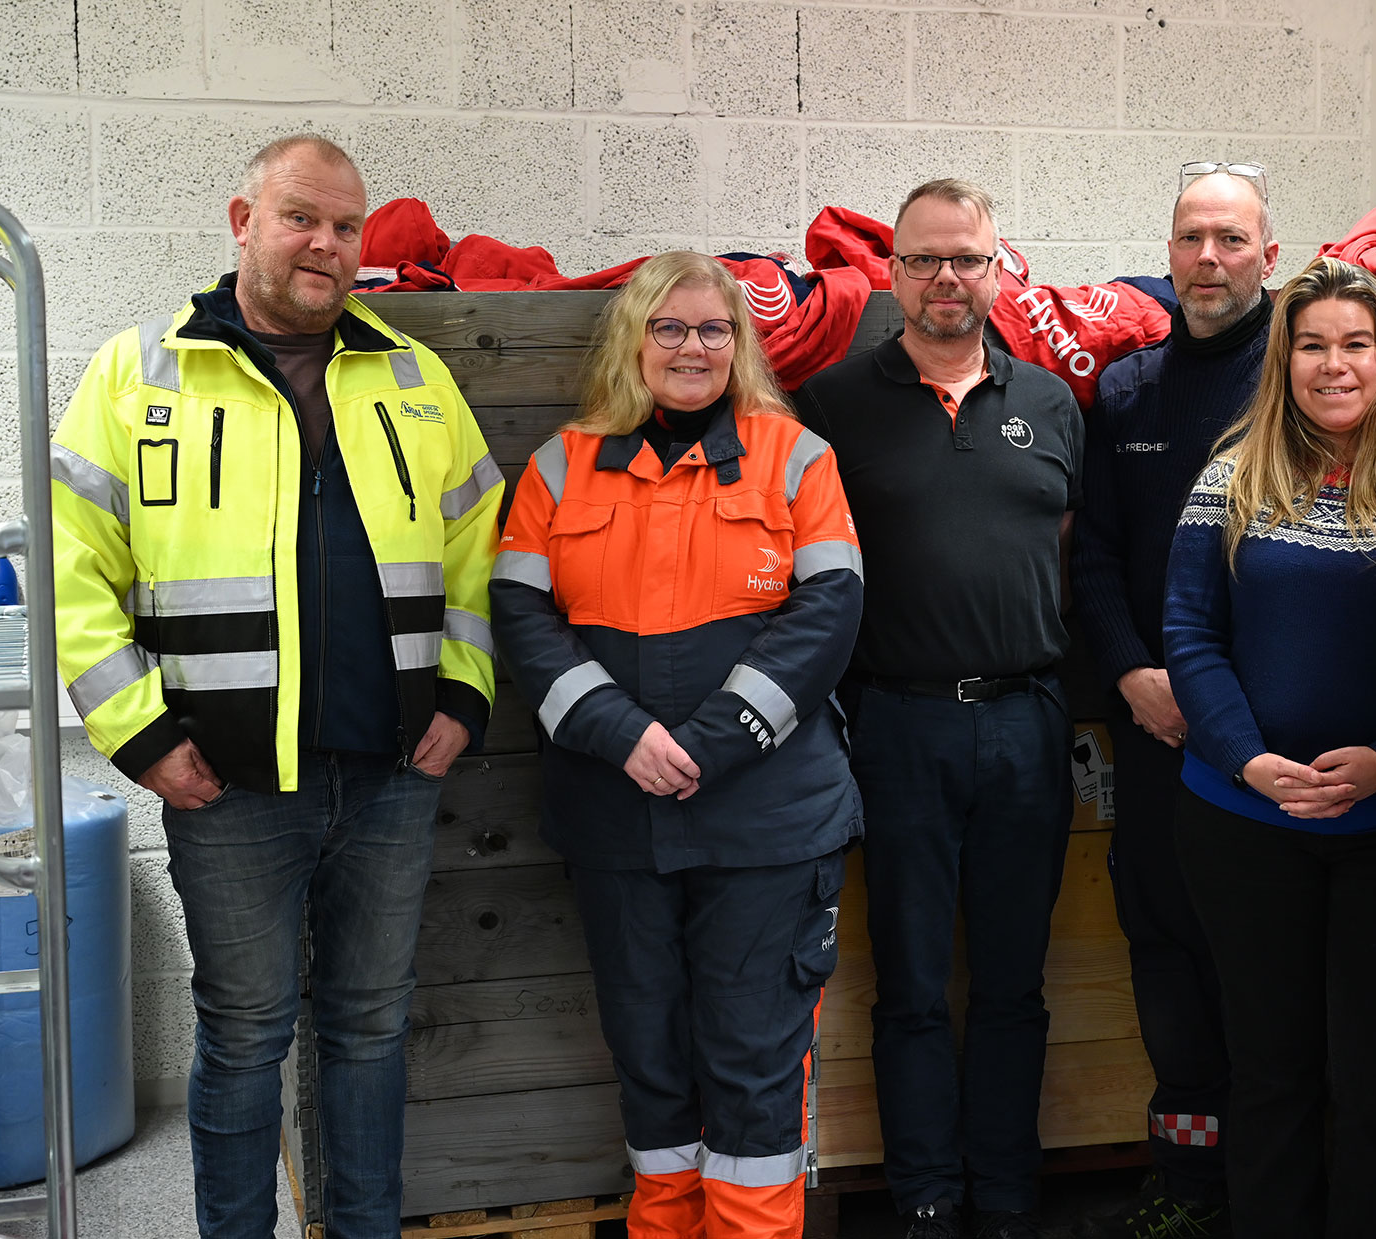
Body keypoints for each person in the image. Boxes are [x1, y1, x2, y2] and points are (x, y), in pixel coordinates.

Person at [50, 134, 502, 1236]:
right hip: (229, 784)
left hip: (391, 775)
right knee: (246, 1037)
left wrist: (463, 694)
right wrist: (140, 735)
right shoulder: (139, 373)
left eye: (346, 227)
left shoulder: (412, 375)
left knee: (370, 1030)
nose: (326, 244)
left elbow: (478, 548)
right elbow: (71, 570)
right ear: (241, 220)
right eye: (301, 216)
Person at [489, 251, 865, 1239]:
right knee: (648, 1058)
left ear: (739, 345)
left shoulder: (797, 458)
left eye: (712, 329)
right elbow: (519, 614)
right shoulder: (561, 464)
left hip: (767, 822)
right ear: (634, 340)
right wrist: (622, 735)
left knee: (754, 1062)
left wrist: (711, 741)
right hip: (617, 817)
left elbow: (829, 611)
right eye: (669, 327)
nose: (691, 347)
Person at [794, 179, 1085, 1239]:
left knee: (1013, 981)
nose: (945, 278)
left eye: (966, 258)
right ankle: (925, 1196)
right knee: (911, 984)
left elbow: (1066, 547)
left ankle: (1004, 1196)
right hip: (896, 726)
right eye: (922, 259)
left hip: (1025, 724)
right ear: (892, 272)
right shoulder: (833, 403)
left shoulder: (1051, 401)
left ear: (999, 268)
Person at [1161, 256, 1376, 1238]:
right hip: (1242, 822)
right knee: (1270, 1074)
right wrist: (1247, 758)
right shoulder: (1232, 474)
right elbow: (1189, 633)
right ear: (1283, 362)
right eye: (1312, 345)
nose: (1334, 365)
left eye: (1355, 344)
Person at [1071, 160, 1279, 1238]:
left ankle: (1272, 1188)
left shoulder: (1306, 372)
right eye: (1192, 238)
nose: (1209, 258)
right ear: (1167, 253)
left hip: (1272, 733)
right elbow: (1096, 554)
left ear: (1267, 256)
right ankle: (1187, 1183)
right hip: (1157, 729)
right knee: (1164, 947)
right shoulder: (1127, 391)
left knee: (1265, 958)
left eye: (1231, 239)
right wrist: (1128, 673)